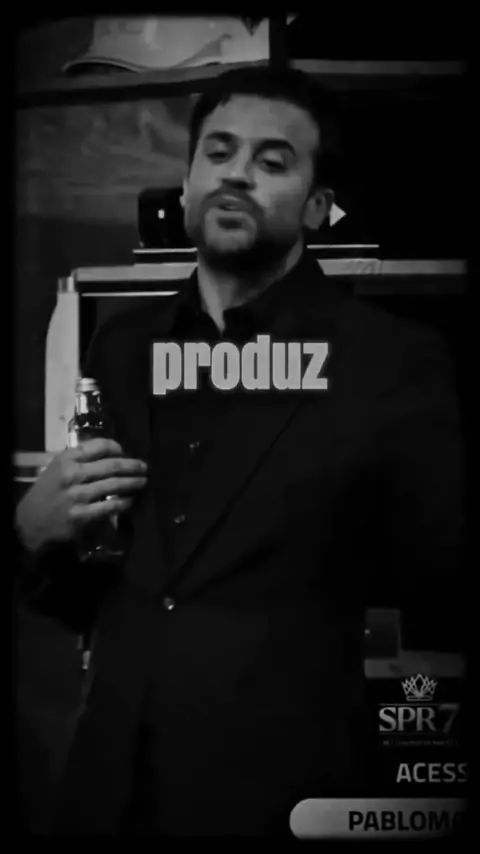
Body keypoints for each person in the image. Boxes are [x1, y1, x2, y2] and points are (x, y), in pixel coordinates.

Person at [14, 67, 465, 837]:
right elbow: (94, 592)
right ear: (189, 181)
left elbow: (440, 589)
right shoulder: (122, 347)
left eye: (271, 161)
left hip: (279, 797)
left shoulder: (392, 363)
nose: (236, 174)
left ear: (318, 206)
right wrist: (34, 531)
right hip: (107, 791)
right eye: (218, 153)